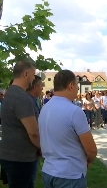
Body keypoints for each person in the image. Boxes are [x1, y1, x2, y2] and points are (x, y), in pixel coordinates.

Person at [39, 70, 97, 187]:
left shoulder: (45, 109)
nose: (77, 89)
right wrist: (89, 161)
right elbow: (91, 149)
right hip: (70, 174)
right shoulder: (74, 111)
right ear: (70, 85)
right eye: (76, 85)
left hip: (49, 170)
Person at [0, 59, 40, 188]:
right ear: (26, 74)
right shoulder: (22, 98)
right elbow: (33, 133)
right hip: (20, 158)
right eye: (33, 75)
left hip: (11, 155)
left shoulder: (10, 93)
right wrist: (43, 148)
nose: (33, 78)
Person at [26, 75, 43, 181]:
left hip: (31, 149)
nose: (42, 88)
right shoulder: (28, 101)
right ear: (35, 87)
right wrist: (40, 146)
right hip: (28, 150)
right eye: (41, 85)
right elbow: (33, 130)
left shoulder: (33, 100)